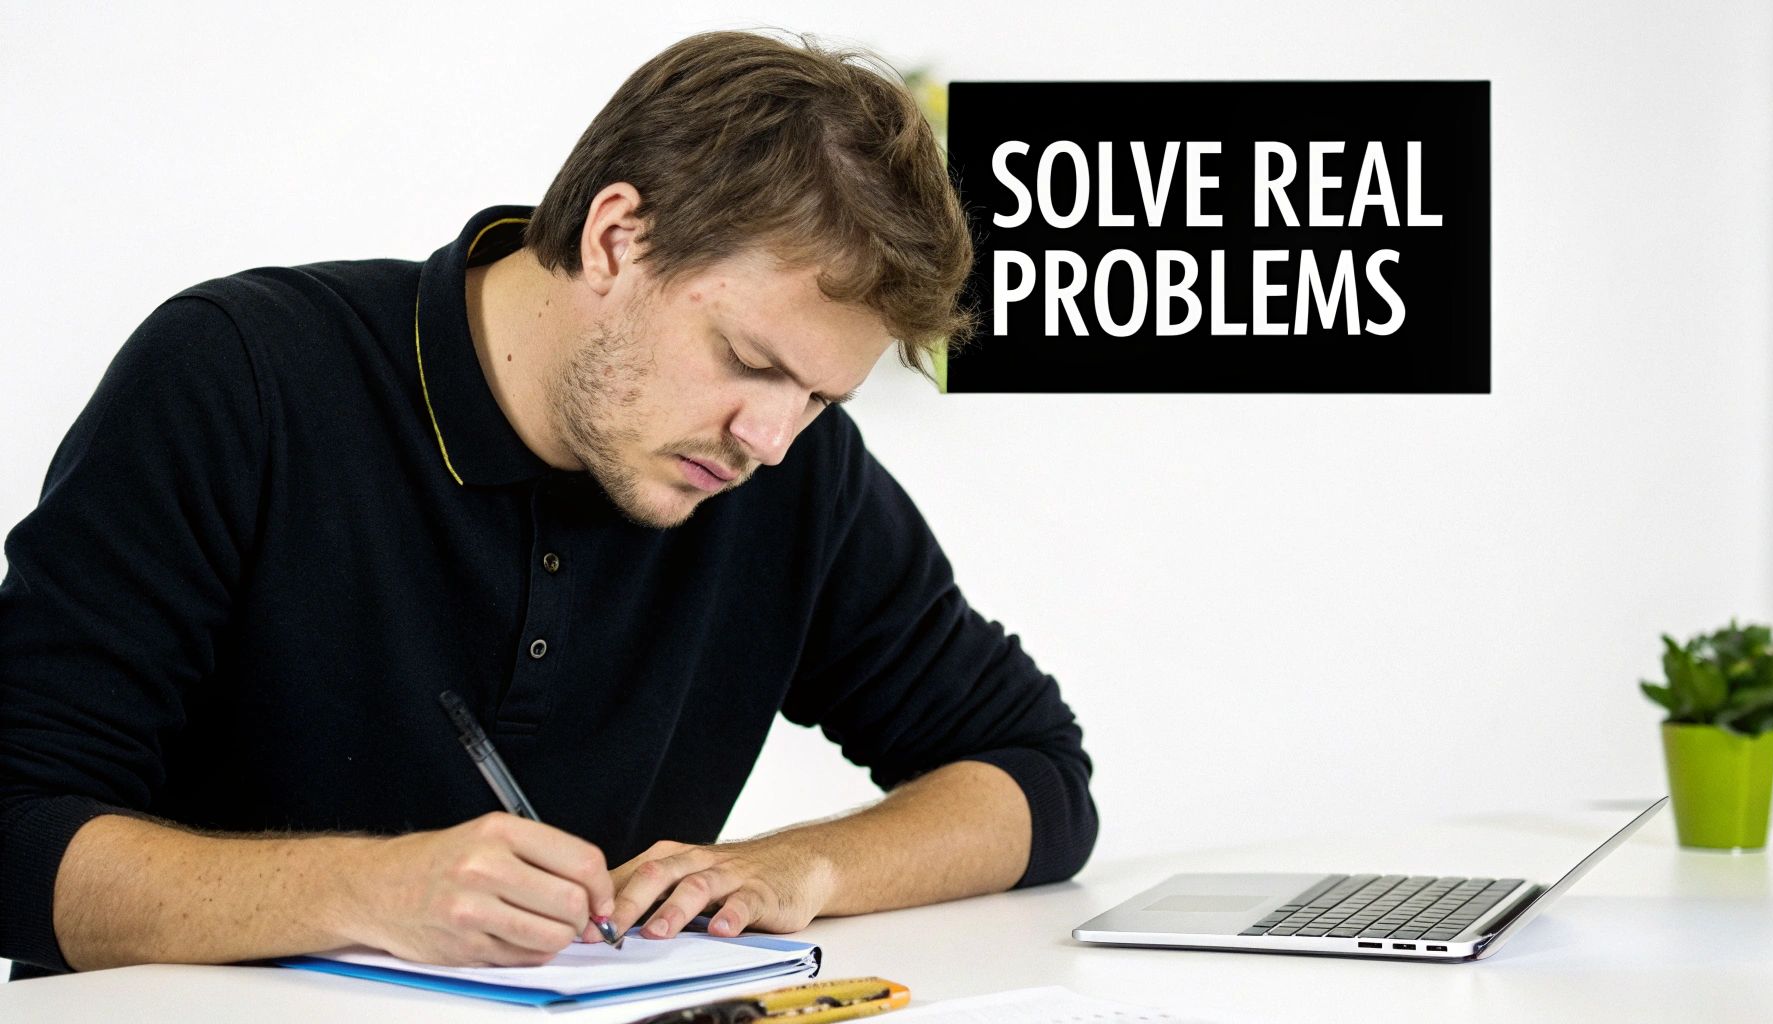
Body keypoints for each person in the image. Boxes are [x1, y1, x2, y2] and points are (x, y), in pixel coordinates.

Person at [0, 30, 1095, 980]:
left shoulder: (789, 470)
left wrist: (800, 864)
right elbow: (16, 833)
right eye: (749, 360)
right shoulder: (239, 377)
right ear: (616, 238)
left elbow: (1032, 774)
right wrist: (370, 889)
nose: (769, 437)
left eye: (818, 396)